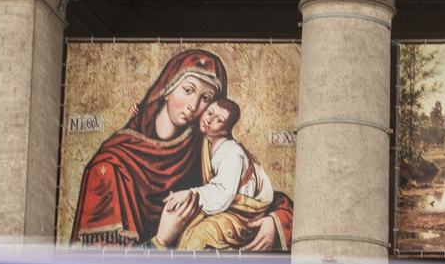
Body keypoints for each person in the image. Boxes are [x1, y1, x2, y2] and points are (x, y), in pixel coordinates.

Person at [71, 47, 231, 247]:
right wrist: (161, 240)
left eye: (205, 98)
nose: (193, 105)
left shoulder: (203, 152)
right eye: (188, 90)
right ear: (167, 88)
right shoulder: (111, 165)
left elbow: (254, 191)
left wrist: (271, 223)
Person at [156, 96, 292, 252]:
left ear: (224, 130)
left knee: (200, 236)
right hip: (226, 209)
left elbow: (223, 192)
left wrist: (189, 194)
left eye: (218, 120)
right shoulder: (206, 143)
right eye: (209, 113)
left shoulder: (232, 152)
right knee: (188, 232)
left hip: (242, 216)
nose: (209, 120)